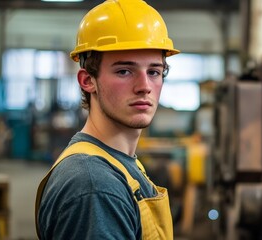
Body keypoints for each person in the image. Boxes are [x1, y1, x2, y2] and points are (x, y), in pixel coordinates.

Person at [35, 0, 180, 239]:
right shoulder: (95, 186)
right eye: (124, 71)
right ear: (87, 80)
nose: (144, 87)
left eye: (153, 71)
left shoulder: (119, 164)